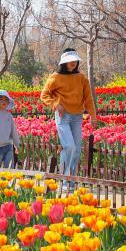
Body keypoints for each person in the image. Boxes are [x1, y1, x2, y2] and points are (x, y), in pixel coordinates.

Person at [40, 48, 102, 178]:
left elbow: (88, 98)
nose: (73, 62)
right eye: (70, 60)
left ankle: (70, 181)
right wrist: (56, 104)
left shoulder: (81, 78)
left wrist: (93, 116)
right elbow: (44, 95)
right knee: (69, 147)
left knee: (77, 150)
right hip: (63, 117)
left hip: (77, 118)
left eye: (75, 60)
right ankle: (64, 178)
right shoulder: (55, 77)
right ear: (64, 62)